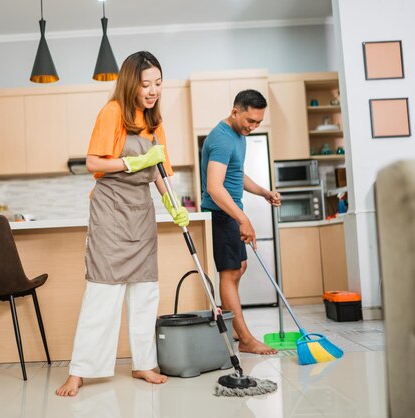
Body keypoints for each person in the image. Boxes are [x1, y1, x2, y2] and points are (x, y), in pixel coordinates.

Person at [56, 51, 189, 397]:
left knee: (145, 292)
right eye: (146, 84)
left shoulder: (155, 122)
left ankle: (144, 362)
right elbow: (93, 162)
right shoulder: (112, 112)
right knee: (103, 292)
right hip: (110, 212)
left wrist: (173, 205)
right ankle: (80, 371)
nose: (153, 90)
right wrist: (133, 163)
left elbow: (160, 172)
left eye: (158, 84)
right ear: (131, 83)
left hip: (141, 213)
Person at [200, 89, 281, 355]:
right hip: (222, 214)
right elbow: (214, 187)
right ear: (236, 112)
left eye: (258, 122)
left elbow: (236, 174)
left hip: (231, 213)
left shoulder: (238, 135)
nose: (253, 127)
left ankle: (235, 328)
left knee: (240, 267)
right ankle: (245, 339)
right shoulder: (222, 139)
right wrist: (243, 219)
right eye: (250, 121)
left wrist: (264, 192)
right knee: (230, 272)